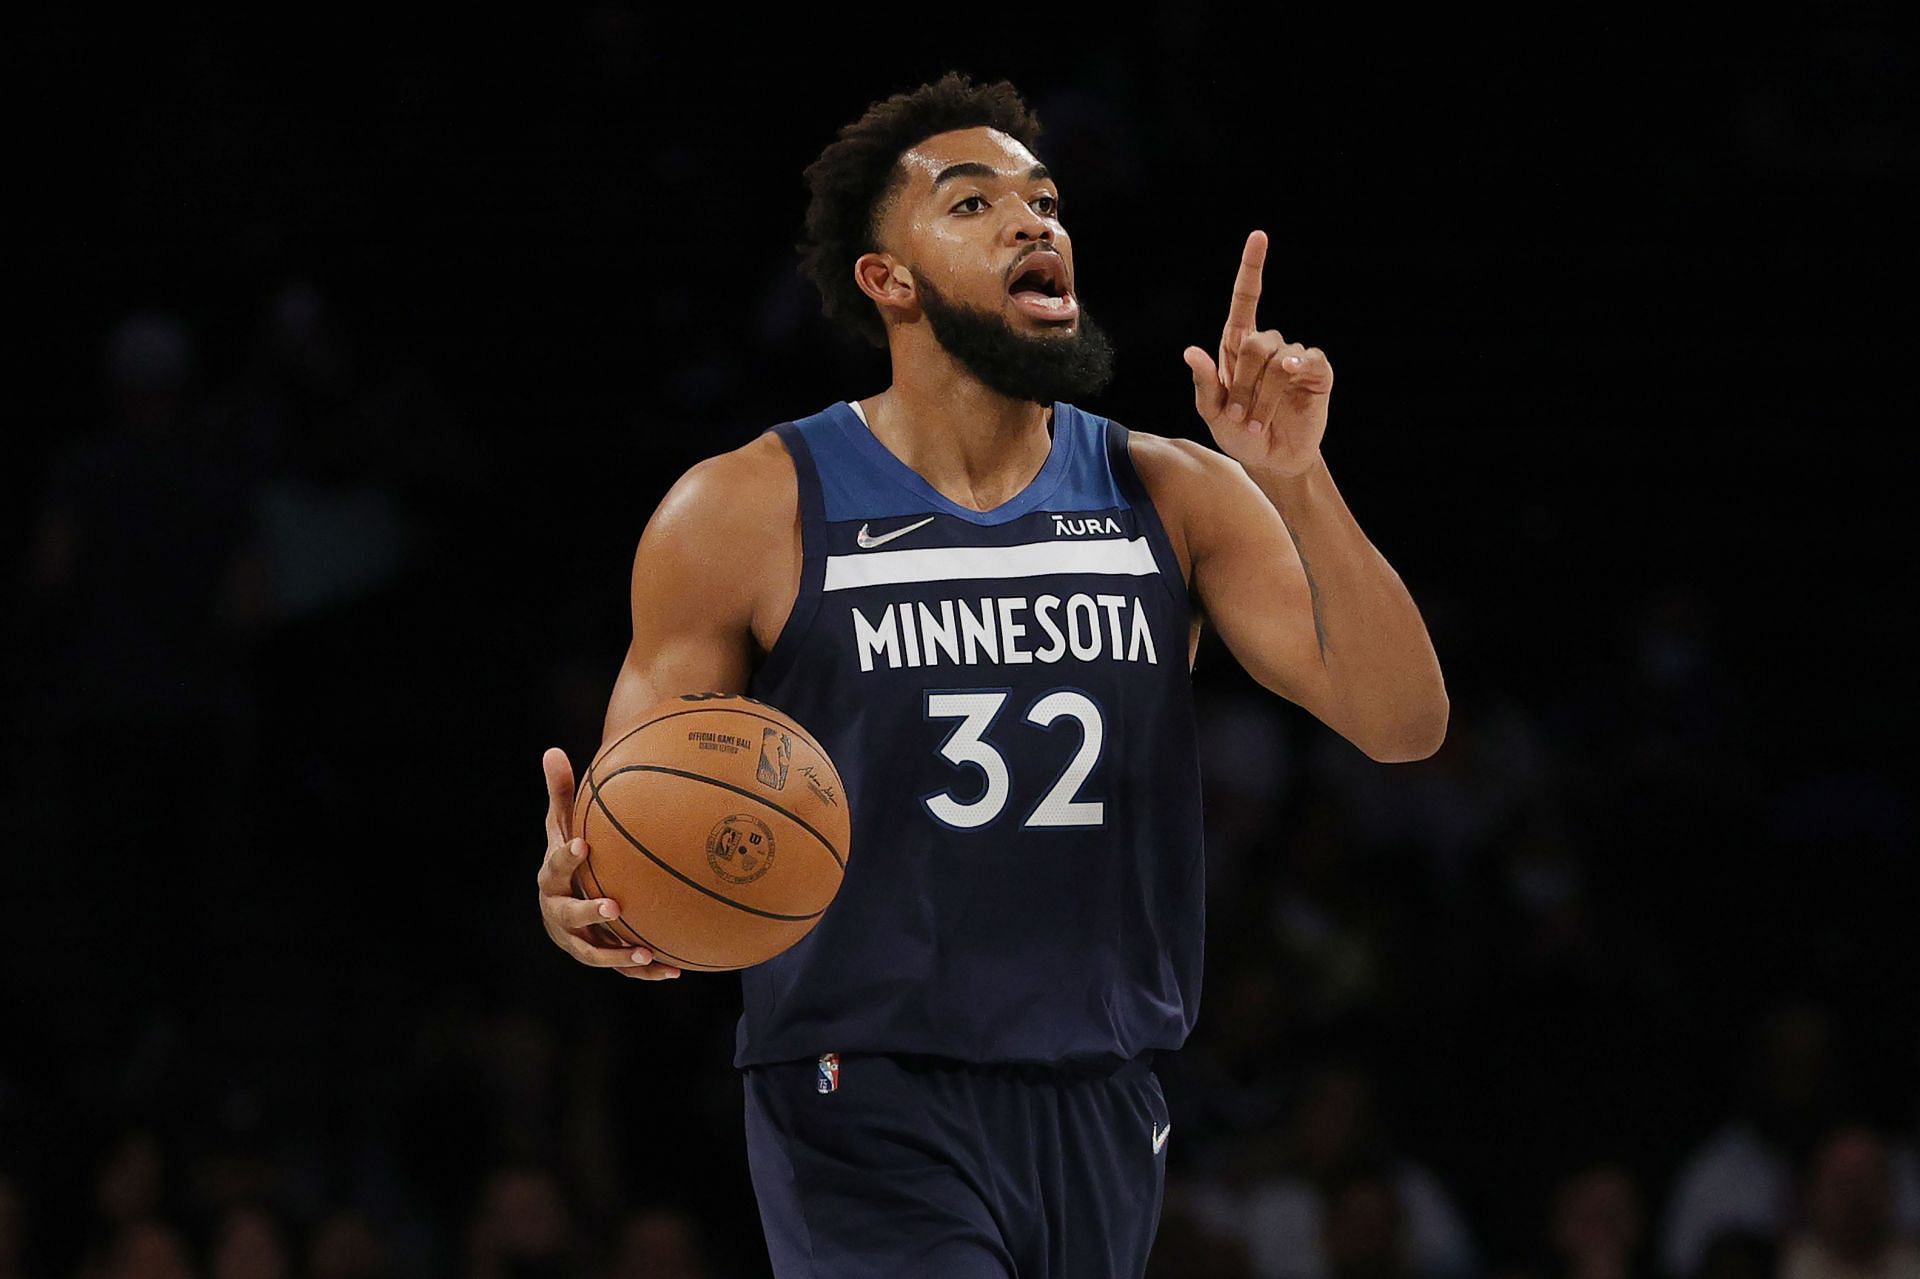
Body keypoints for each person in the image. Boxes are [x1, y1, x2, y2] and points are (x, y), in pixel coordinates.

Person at [535, 71, 1448, 1278]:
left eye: (1047, 200)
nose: (1036, 222)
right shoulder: (746, 508)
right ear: (888, 279)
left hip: (1102, 1089)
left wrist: (1298, 476)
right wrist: (589, 899)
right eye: (974, 205)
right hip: (861, 1093)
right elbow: (637, 820)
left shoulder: (1171, 491)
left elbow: (1402, 724)